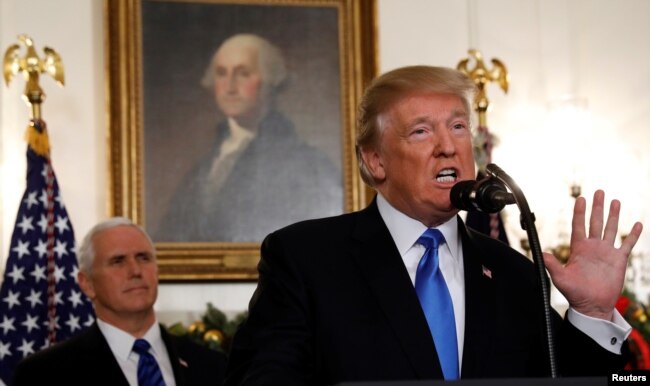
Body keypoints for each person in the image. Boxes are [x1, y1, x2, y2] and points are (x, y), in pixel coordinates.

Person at [223, 66, 644, 384]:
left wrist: (591, 312)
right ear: (375, 159)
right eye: (422, 131)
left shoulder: (514, 274)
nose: (448, 146)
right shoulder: (306, 260)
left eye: (458, 127)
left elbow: (567, 381)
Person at [155, 33, 342, 242]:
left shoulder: (305, 163)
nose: (230, 85)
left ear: (269, 81)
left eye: (243, 73)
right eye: (221, 73)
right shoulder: (205, 165)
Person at [12, 217, 227, 386]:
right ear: (87, 283)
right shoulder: (45, 374)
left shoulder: (213, 366)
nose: (135, 271)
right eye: (118, 261)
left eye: (144, 258)